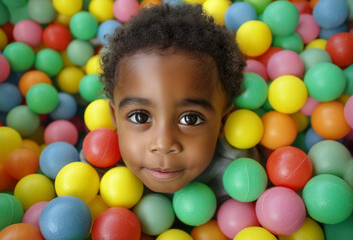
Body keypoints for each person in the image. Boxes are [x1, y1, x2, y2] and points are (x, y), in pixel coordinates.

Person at [100, 3, 259, 194]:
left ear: (223, 121)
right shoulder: (100, 167)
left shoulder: (240, 175)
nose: (164, 143)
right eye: (140, 117)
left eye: (190, 119)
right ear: (115, 116)